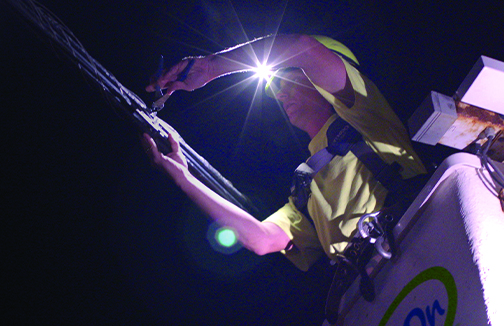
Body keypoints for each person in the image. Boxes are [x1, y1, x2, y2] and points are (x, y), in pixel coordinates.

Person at [142, 34, 425, 272]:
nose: (279, 94)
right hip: (373, 294)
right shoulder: (306, 185)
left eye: (286, 80)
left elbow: (303, 49)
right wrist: (183, 177)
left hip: (423, 238)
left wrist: (210, 67)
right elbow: (261, 240)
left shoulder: (367, 115)